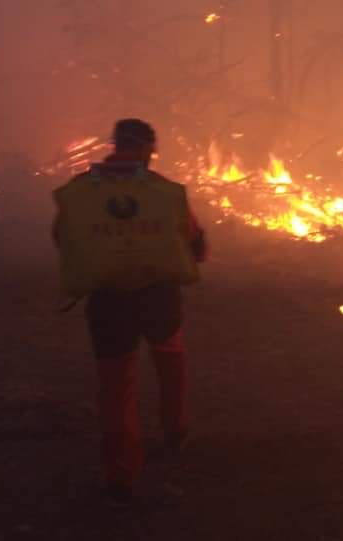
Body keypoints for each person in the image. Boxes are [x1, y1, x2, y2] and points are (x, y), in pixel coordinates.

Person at [52, 119, 207, 506]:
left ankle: (121, 474)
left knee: (116, 386)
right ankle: (175, 429)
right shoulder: (164, 193)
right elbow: (195, 244)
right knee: (170, 356)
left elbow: (63, 238)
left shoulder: (80, 193)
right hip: (159, 297)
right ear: (146, 150)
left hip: (108, 302)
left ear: (115, 145)